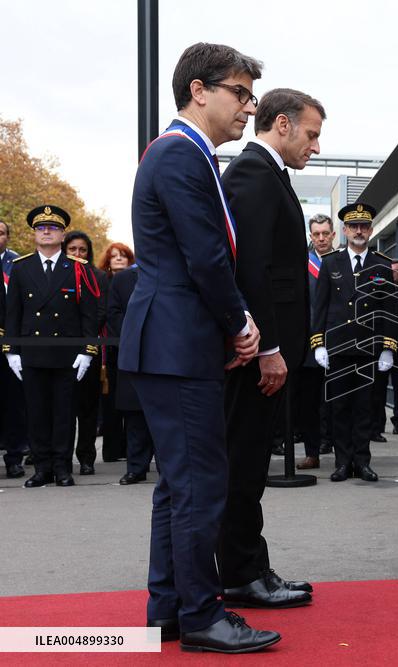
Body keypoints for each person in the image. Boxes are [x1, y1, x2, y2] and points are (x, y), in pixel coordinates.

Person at [118, 42, 279, 653]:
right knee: (201, 484)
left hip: (173, 339)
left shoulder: (187, 155)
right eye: (240, 93)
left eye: (250, 96)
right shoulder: (181, 155)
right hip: (177, 340)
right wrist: (240, 323)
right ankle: (203, 617)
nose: (248, 108)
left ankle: (170, 608)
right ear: (199, 90)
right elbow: (205, 255)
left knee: (180, 484)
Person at [217, 87, 324, 609]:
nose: (316, 146)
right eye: (311, 133)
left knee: (253, 458)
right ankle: (240, 573)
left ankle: (249, 565)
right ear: (281, 124)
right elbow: (251, 267)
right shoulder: (255, 172)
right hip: (258, 350)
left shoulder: (268, 173)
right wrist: (269, 347)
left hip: (266, 346)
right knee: (244, 460)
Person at [3, 205, 100, 488]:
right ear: (34, 234)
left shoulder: (78, 269)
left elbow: (89, 315)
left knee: (64, 414)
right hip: (32, 353)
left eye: (53, 228)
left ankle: (62, 467)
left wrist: (87, 352)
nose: (46, 231)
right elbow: (13, 314)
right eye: (41, 228)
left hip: (67, 355)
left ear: (63, 234)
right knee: (36, 412)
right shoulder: (21, 268)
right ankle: (41, 467)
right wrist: (11, 351)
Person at [310, 202, 398, 483]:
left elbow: (390, 309)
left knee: (364, 408)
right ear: (345, 230)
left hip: (367, 348)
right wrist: (318, 343)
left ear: (371, 230)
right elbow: (320, 307)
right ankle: (341, 463)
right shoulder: (330, 262)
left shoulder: (382, 265)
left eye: (364, 226)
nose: (359, 231)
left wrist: (388, 346)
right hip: (337, 347)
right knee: (339, 408)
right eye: (353, 226)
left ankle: (362, 462)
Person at [63, 230, 110, 474]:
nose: (78, 254)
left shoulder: (98, 276)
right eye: (72, 250)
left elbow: (101, 311)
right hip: (61, 351)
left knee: (88, 408)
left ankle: (87, 458)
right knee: (64, 408)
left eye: (82, 250)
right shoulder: (56, 274)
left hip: (88, 350)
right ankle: (62, 459)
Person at [105, 265, 153, 485]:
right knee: (134, 417)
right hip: (133, 352)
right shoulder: (122, 278)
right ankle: (136, 467)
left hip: (166, 351)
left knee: (166, 415)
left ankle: (167, 467)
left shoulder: (171, 269)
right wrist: (136, 330)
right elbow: (113, 313)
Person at [295, 213, 335, 470]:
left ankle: (342, 452)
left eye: (325, 233)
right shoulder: (301, 264)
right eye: (316, 234)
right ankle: (312, 452)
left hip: (338, 343)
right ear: (311, 236)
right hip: (310, 345)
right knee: (310, 403)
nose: (321, 238)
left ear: (333, 234)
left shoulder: (341, 261)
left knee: (337, 402)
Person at [97, 241, 135, 466]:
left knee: (132, 402)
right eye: (114, 256)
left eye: (123, 255)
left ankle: (131, 448)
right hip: (108, 348)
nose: (119, 259)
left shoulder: (137, 280)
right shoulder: (103, 282)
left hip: (130, 344)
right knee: (110, 401)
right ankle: (112, 448)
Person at [0, 219, 29, 479]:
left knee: (13, 404)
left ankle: (14, 458)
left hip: (8, 343)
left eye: (0, 232)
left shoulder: (16, 265)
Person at [369, 258, 398, 441]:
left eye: (396, 272)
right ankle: (378, 425)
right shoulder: (382, 291)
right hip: (384, 344)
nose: (393, 274)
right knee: (379, 388)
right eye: (390, 271)